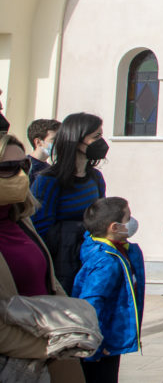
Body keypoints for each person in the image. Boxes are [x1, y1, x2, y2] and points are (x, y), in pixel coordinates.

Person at [0, 131, 86, 383]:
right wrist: (49, 347)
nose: (19, 175)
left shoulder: (20, 218)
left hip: (52, 354)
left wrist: (71, 323)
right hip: (19, 359)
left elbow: (48, 281)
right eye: (7, 168)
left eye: (23, 166)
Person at [31, 112, 108, 294]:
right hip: (61, 269)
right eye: (96, 136)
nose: (101, 142)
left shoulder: (95, 177)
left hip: (90, 263)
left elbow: (101, 217)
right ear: (76, 139)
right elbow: (40, 230)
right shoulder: (48, 181)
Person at [73, 197, 145, 383]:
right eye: (127, 218)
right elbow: (91, 303)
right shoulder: (106, 262)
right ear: (113, 227)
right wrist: (95, 345)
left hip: (110, 338)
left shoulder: (117, 249)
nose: (132, 222)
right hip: (101, 344)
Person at [26, 118, 60, 184]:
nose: (59, 143)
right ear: (38, 142)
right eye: (54, 139)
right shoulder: (26, 166)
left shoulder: (49, 168)